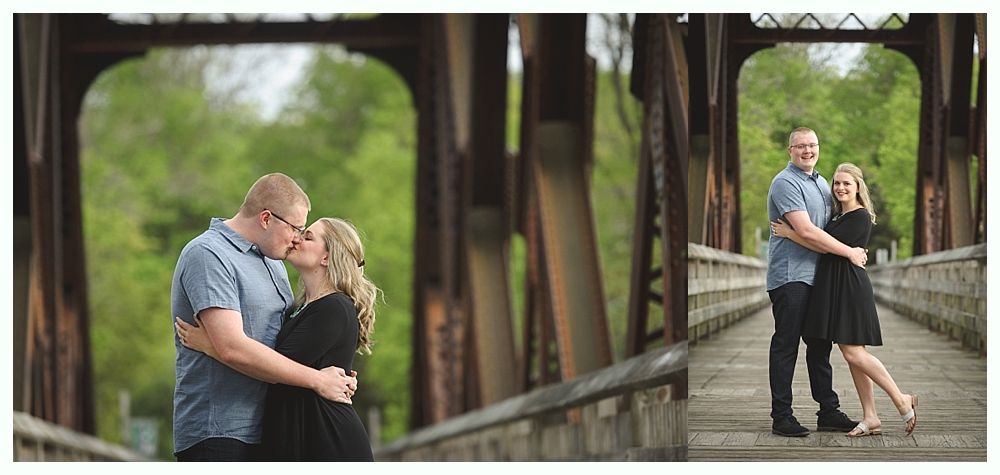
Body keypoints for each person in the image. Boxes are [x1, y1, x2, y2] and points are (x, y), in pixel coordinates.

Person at [171, 173, 358, 461]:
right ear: (267, 218)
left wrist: (334, 373)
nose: (297, 238)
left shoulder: (274, 263)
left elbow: (287, 346)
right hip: (220, 433)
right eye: (296, 228)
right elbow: (232, 348)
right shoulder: (209, 254)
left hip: (270, 434)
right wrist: (318, 379)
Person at [771, 163, 918, 437]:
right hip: (833, 287)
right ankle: (870, 416)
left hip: (849, 288)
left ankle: (901, 398)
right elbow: (825, 242)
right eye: (836, 183)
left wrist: (791, 233)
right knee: (853, 356)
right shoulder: (838, 217)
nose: (839, 188)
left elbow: (821, 243)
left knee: (853, 353)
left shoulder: (860, 216)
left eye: (846, 184)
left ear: (858, 187)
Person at [764, 127, 868, 437]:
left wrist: (855, 243)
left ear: (818, 148)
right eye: (800, 146)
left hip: (819, 278)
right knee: (786, 345)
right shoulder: (785, 183)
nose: (807, 151)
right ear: (790, 150)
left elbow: (831, 230)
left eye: (812, 145)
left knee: (820, 347)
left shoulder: (823, 184)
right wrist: (850, 251)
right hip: (791, 276)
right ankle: (781, 416)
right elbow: (808, 232)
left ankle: (828, 411)